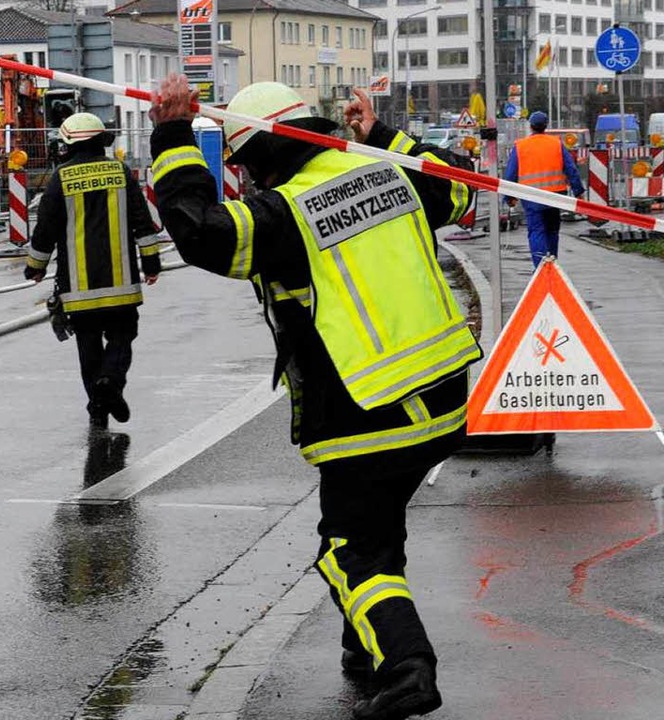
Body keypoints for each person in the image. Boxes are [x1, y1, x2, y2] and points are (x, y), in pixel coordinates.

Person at [148, 75, 482, 720]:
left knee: (348, 549)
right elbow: (462, 185)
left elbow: (200, 232)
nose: (244, 179)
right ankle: (365, 648)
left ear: (265, 153)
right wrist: (383, 133)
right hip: (441, 398)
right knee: (380, 528)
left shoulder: (286, 211)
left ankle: (408, 666)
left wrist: (171, 134)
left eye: (244, 164)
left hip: (365, 406)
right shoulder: (390, 172)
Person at [25, 112, 161, 427]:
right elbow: (143, 221)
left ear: (69, 144)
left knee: (87, 346)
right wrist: (152, 263)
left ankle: (97, 408)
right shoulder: (121, 172)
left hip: (78, 287)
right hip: (121, 283)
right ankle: (111, 383)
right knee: (123, 336)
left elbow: (46, 228)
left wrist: (35, 267)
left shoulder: (61, 178)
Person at [504, 111, 585, 267]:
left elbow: (511, 173)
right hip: (555, 195)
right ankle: (552, 262)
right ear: (546, 126)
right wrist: (578, 191)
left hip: (531, 196)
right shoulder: (556, 143)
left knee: (536, 231)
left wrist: (509, 198)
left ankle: (540, 266)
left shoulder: (520, 146)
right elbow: (571, 168)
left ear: (531, 127)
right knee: (552, 230)